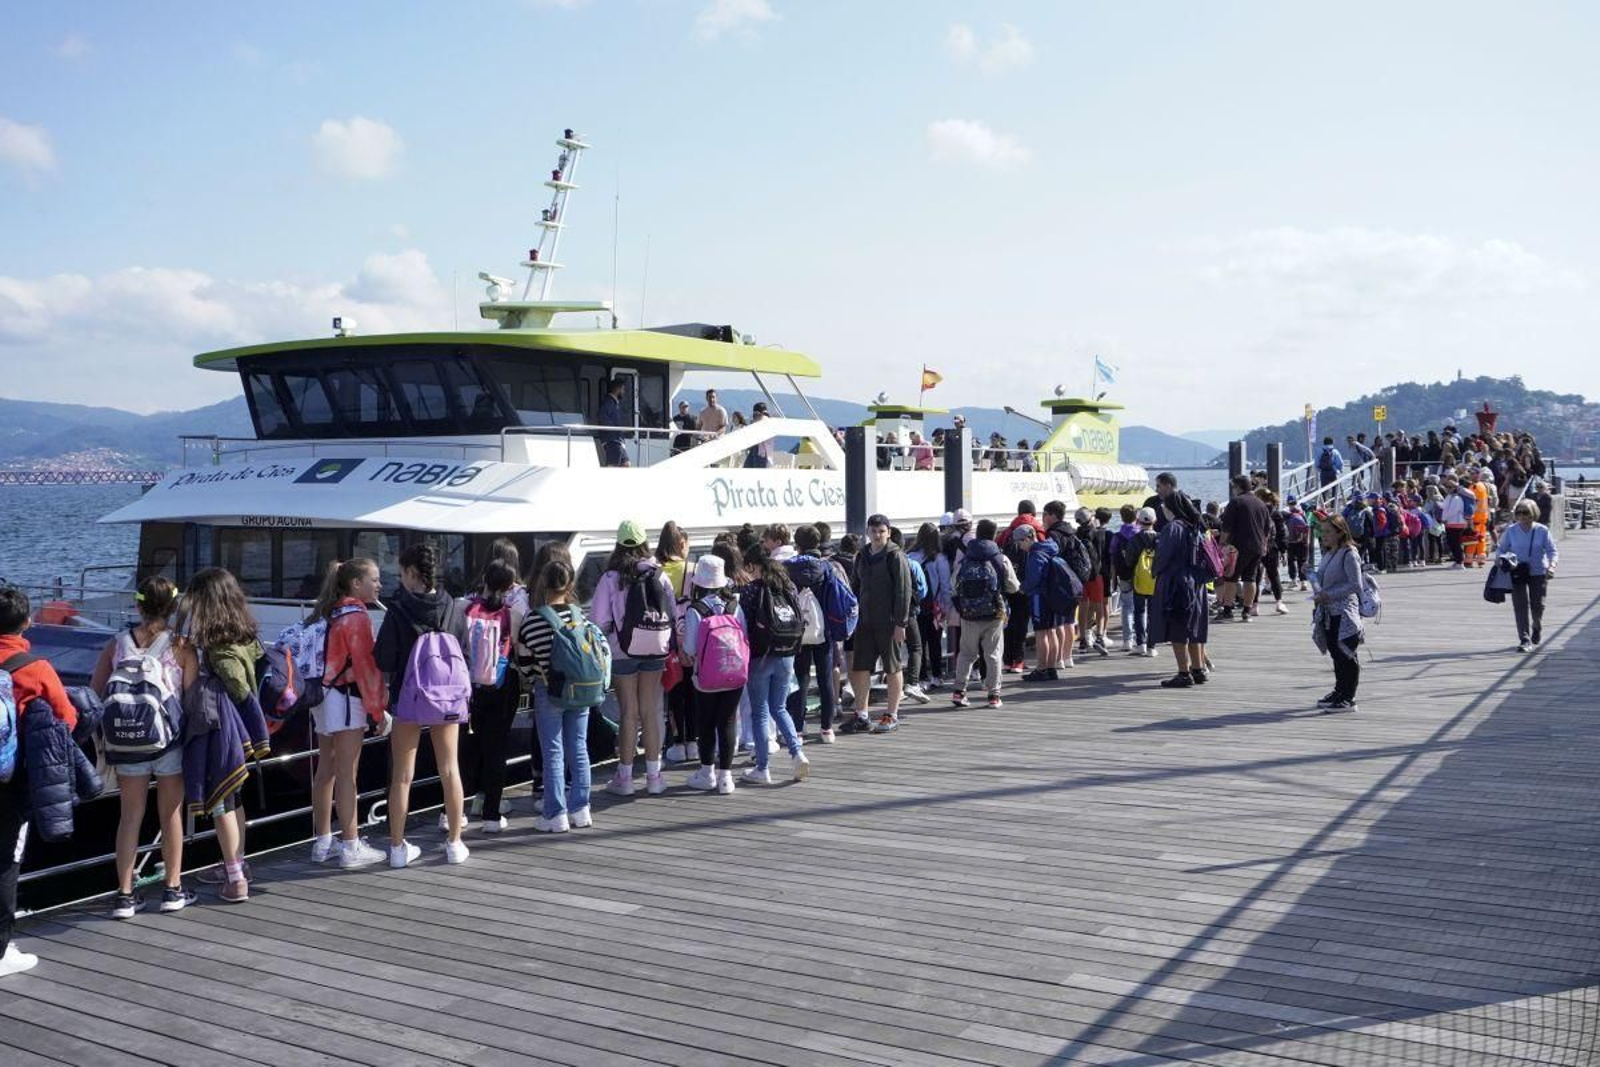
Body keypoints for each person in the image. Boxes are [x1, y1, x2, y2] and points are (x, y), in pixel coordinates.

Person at [89, 576, 199, 916]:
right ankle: (172, 890)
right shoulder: (181, 645)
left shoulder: (117, 644)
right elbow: (192, 698)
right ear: (173, 607)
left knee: (130, 817)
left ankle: (124, 895)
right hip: (168, 742)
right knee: (170, 815)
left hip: (126, 742)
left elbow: (95, 692)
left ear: (138, 605)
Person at [0, 585, 85, 975]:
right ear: (27, 622)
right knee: (6, 860)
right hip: (13, 780)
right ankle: (1, 950)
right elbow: (67, 719)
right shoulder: (35, 668)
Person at [375, 543, 472, 868]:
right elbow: (465, 653)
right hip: (447, 696)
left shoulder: (397, 609)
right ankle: (455, 843)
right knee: (450, 769)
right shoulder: (453, 607)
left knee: (402, 776)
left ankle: (397, 848)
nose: (399, 578)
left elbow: (384, 659)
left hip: (409, 697)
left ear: (411, 573)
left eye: (401, 572)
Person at [177, 567, 267, 902]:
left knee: (221, 803)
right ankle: (238, 863)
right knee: (235, 798)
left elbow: (237, 687)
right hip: (240, 734)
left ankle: (235, 878)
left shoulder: (218, 647)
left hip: (222, 731)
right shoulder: (246, 636)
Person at [304, 559, 390, 867]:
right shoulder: (357, 617)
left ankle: (323, 842)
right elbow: (366, 670)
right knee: (346, 774)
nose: (379, 585)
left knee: (325, 770)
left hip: (322, 697)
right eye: (374, 580)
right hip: (345, 699)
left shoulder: (329, 611)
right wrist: (379, 711)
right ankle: (351, 845)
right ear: (356, 583)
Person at [592, 520, 674, 796]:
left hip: (622, 650)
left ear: (618, 544)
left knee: (629, 712)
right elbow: (672, 612)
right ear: (643, 543)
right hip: (655, 648)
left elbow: (599, 620)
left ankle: (625, 779)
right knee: (650, 710)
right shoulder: (659, 574)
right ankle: (654, 777)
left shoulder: (610, 578)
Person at [515, 558, 594, 832]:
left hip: (549, 690)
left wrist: (533, 677)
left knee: (552, 751)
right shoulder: (580, 616)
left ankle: (555, 813)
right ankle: (581, 809)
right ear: (570, 584)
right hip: (581, 689)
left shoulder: (533, 619)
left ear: (543, 584)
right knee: (579, 747)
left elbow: (524, 661)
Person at [739, 545, 810, 784]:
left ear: (752, 566)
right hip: (787, 653)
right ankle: (797, 753)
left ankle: (762, 768)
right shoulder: (788, 586)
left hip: (761, 656)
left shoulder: (751, 590)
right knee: (779, 708)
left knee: (759, 712)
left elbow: (745, 625)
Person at [460, 560, 520, 833]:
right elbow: (518, 650)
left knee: (463, 751)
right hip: (500, 687)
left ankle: (452, 812)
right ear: (509, 587)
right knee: (496, 750)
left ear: (484, 578)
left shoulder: (464, 608)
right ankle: (491, 816)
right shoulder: (511, 614)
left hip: (467, 689)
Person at [682, 555, 746, 794]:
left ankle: (707, 773)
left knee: (706, 722)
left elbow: (690, 648)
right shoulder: (735, 606)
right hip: (734, 673)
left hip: (706, 677)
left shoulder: (695, 610)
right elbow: (744, 636)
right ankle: (726, 778)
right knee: (728, 721)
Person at [848, 513, 913, 734]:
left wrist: (901, 623)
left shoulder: (895, 556)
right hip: (865, 622)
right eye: (873, 531)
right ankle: (862, 715)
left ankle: (892, 714)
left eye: (881, 531)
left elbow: (903, 591)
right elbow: (855, 587)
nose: (877, 535)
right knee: (860, 667)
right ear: (867, 532)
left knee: (892, 667)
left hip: (889, 622)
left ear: (889, 532)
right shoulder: (862, 555)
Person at [948, 519, 1020, 708]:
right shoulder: (1000, 559)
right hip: (994, 614)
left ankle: (959, 692)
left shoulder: (966, 559)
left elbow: (953, 586)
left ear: (977, 534)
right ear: (994, 535)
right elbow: (1013, 587)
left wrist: (961, 605)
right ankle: (993, 695)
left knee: (966, 653)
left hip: (969, 615)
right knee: (993, 654)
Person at [1149, 492, 1210, 688]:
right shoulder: (1196, 526)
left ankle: (1183, 673)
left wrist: (1154, 570)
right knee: (1194, 627)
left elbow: (1163, 557)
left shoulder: (1173, 528)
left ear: (1171, 508)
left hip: (1178, 582)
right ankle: (1198, 669)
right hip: (1196, 582)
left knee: (1178, 627)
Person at [1311, 515, 1364, 711]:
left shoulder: (1349, 553)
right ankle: (1339, 690)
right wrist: (1311, 574)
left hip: (1344, 612)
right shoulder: (1329, 552)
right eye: (1321, 532)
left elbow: (1355, 584)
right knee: (1335, 651)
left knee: (1346, 653)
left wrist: (1329, 594)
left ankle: (1348, 697)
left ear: (1340, 533)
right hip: (1329, 611)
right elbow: (1324, 580)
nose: (1323, 536)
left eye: (1327, 532)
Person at [1496, 499, 1558, 652]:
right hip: (1517, 571)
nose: (1522, 516)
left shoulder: (1542, 530)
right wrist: (1500, 559)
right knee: (1520, 605)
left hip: (1538, 571)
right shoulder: (1511, 530)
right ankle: (1524, 639)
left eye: (1526, 512)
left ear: (1533, 513)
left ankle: (1537, 626)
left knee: (1538, 605)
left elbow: (1552, 551)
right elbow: (1501, 549)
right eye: (1519, 513)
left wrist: (1552, 566)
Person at [1215, 475, 1271, 622]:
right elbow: (1267, 529)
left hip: (1238, 546)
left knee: (1230, 578)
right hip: (1257, 546)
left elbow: (1227, 526)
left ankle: (1227, 610)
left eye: (1233, 487)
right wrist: (1264, 545)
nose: (1233, 490)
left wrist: (1221, 544)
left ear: (1238, 487)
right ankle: (1247, 611)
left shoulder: (1236, 502)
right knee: (1250, 578)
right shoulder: (1261, 503)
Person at [907, 522, 950, 689]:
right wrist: (945, 608)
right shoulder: (939, 558)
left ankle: (921, 678)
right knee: (935, 642)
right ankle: (937, 676)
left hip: (915, 606)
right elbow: (945, 586)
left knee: (919, 644)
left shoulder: (909, 556)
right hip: (934, 607)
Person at [1120, 508, 1159, 656]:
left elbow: (1129, 561)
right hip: (1156, 580)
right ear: (1154, 521)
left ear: (1138, 521)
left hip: (1139, 579)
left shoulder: (1135, 539)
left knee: (1139, 611)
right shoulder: (1160, 538)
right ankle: (1152, 646)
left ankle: (1141, 643)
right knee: (1153, 613)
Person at [598, 377, 629, 467]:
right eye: (623, 389)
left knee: (626, 464)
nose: (624, 392)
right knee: (613, 466)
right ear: (617, 389)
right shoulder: (608, 403)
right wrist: (617, 429)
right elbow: (602, 418)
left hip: (618, 440)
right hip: (612, 440)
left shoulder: (614, 404)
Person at [1284, 498, 1310, 590]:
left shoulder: (1288, 514)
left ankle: (1293, 580)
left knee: (1291, 561)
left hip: (1291, 542)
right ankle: (1303, 582)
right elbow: (1307, 527)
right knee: (1302, 561)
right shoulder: (1302, 513)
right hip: (1302, 542)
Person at [744, 402, 774, 468]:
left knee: (757, 468)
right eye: (754, 415)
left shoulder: (766, 421)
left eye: (757, 414)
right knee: (748, 468)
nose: (755, 416)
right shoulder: (757, 421)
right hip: (755, 448)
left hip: (762, 451)